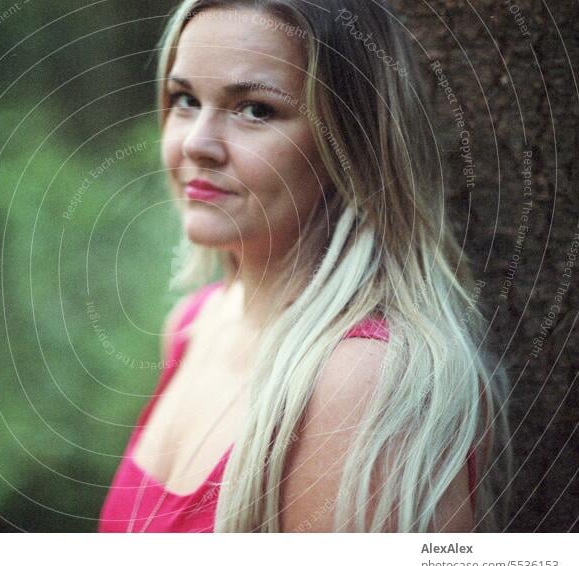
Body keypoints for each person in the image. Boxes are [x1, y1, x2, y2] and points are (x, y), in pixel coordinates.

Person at [99, 0, 512, 533]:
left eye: (255, 109)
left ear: (349, 143)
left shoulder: (360, 382)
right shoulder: (192, 325)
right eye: (184, 99)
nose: (196, 143)